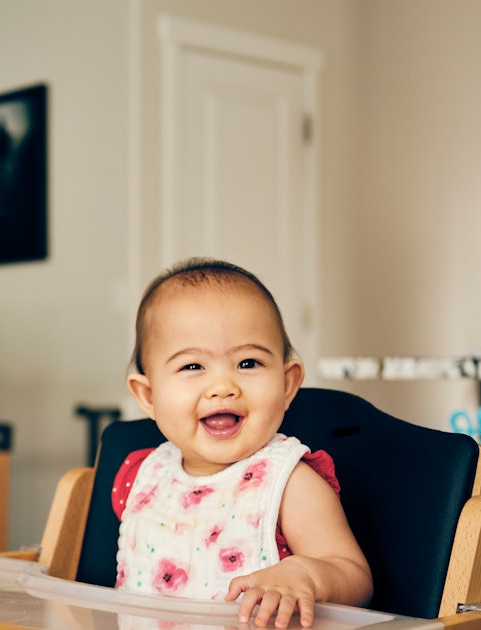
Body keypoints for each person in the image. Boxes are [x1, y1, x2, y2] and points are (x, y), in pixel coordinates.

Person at [113, 258, 372, 628]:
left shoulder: (290, 484)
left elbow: (355, 578)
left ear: (286, 384)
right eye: (192, 367)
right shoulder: (139, 477)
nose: (223, 386)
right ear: (148, 395)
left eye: (248, 363)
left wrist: (305, 574)